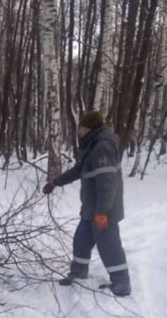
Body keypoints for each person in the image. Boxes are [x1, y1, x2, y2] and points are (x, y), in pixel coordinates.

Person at [43, 111, 131, 296]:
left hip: (103, 210)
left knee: (109, 245)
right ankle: (79, 272)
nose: (79, 131)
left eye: (80, 128)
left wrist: (102, 212)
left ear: (89, 127)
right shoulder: (92, 146)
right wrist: (55, 182)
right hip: (91, 208)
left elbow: (108, 183)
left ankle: (122, 284)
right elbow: (78, 170)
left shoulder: (102, 147)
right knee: (81, 240)